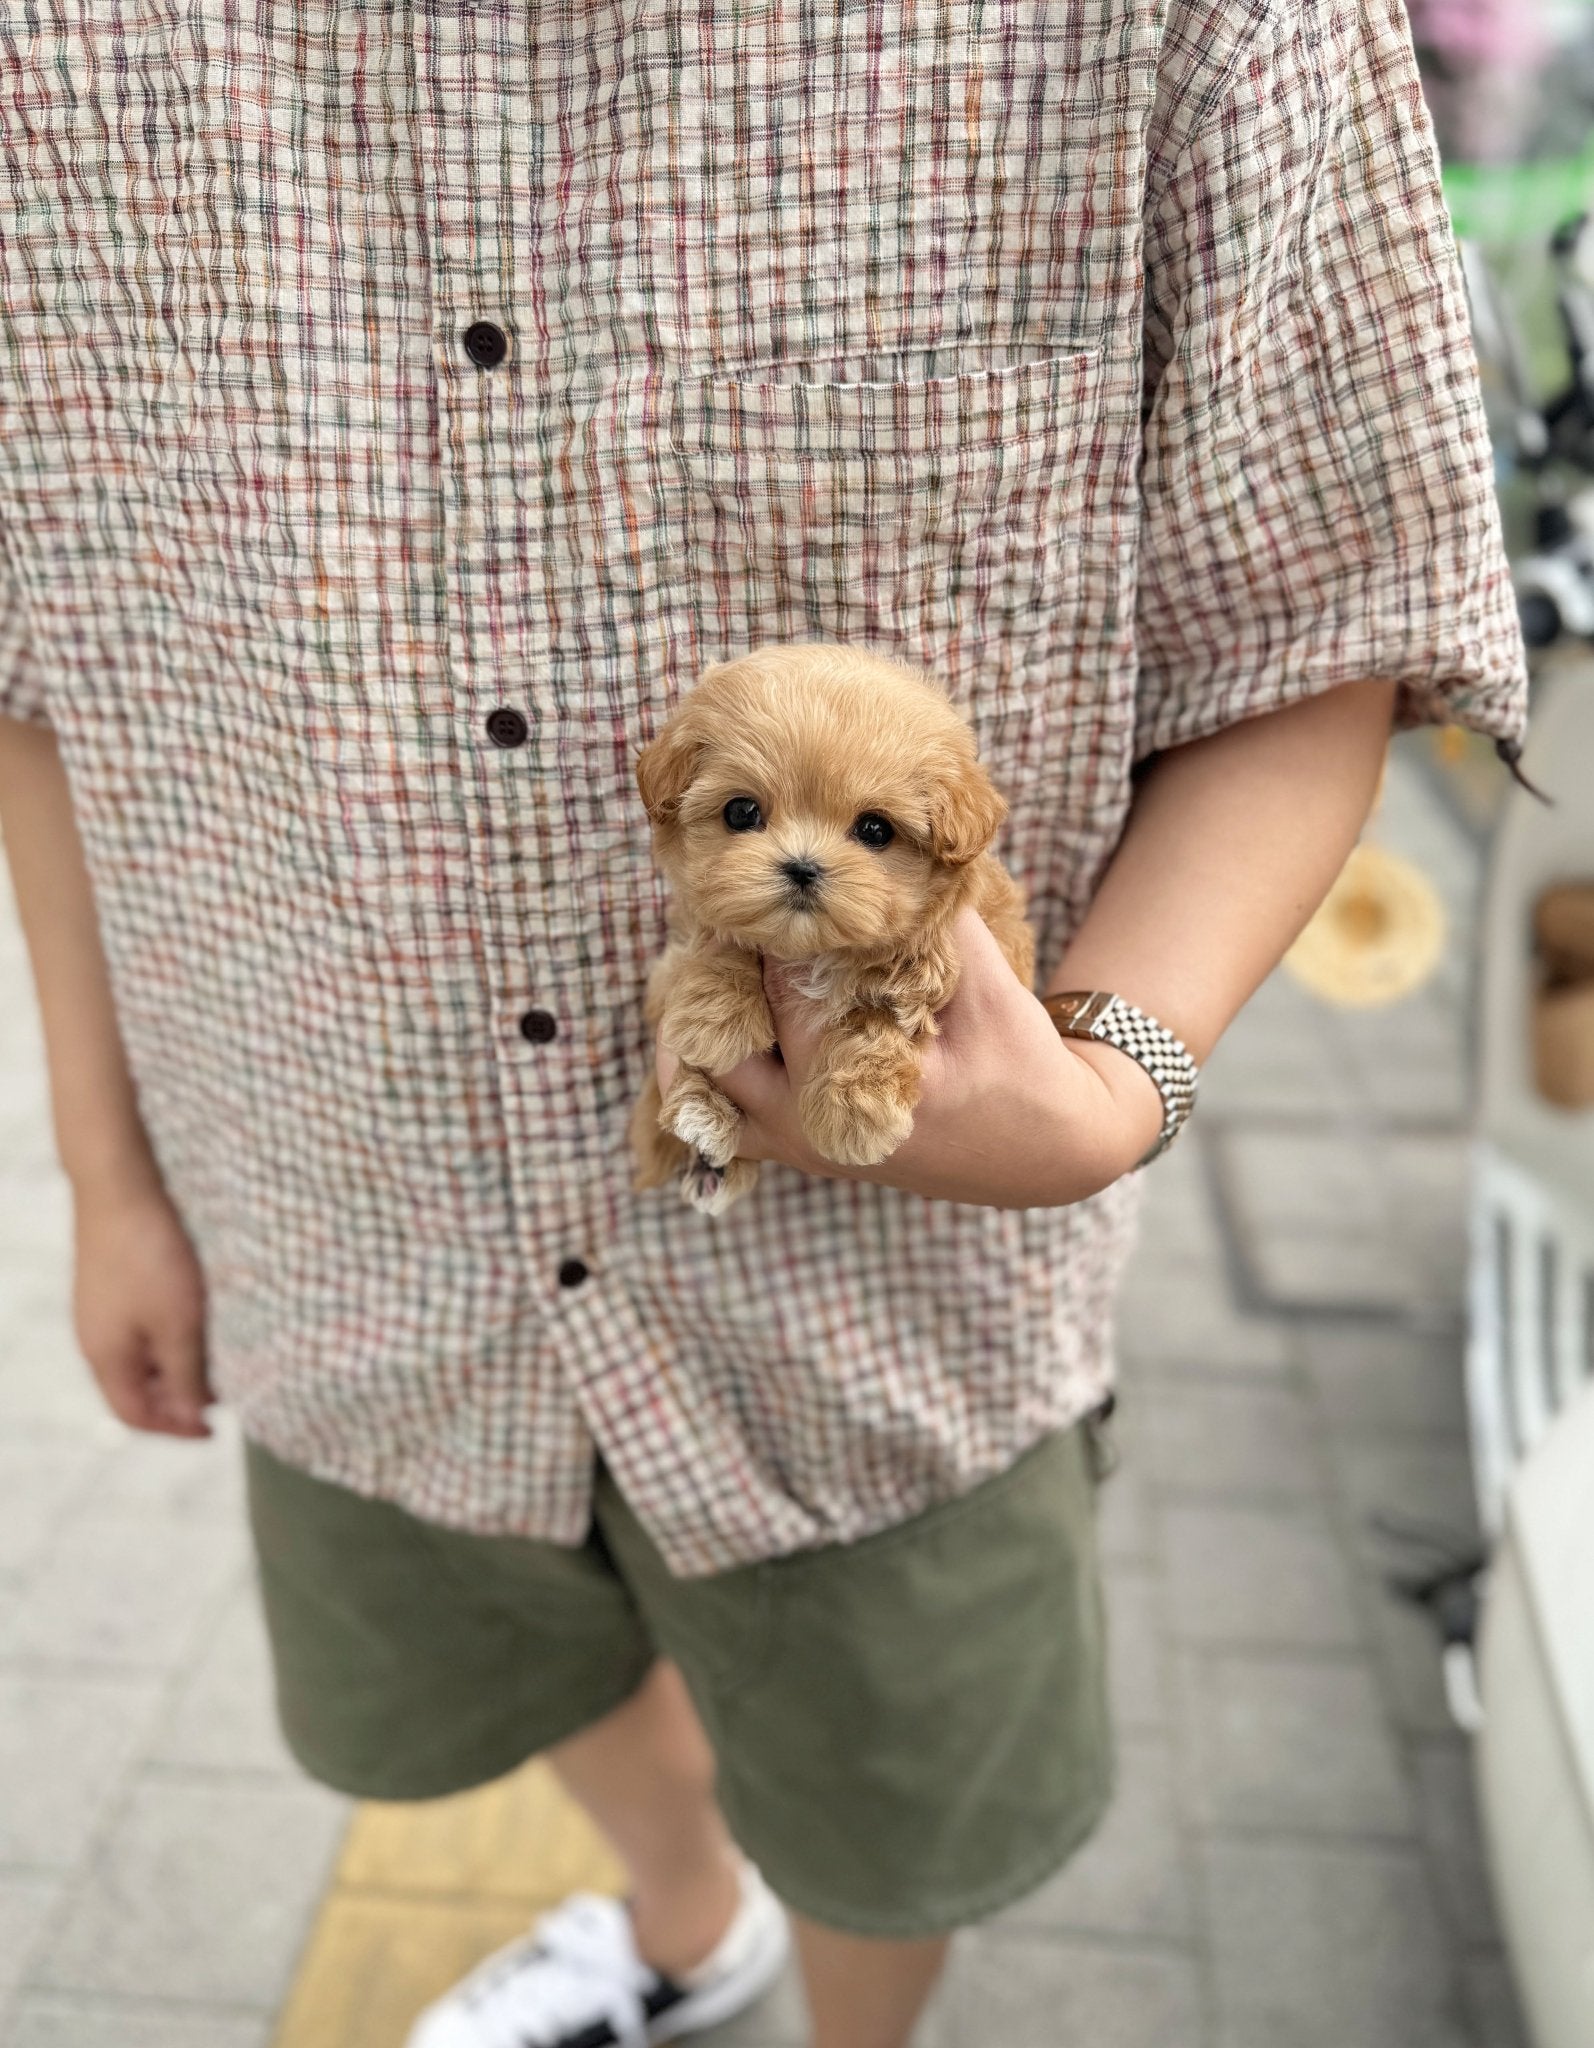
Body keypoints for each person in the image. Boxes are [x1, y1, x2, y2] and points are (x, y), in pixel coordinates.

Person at [0, 0, 1527, 2044]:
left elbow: (1320, 615)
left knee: (894, 1790)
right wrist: (106, 1170)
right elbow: (40, 653)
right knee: (491, 1652)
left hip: (884, 1287)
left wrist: (1104, 1093)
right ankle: (677, 1917)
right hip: (330, 1191)